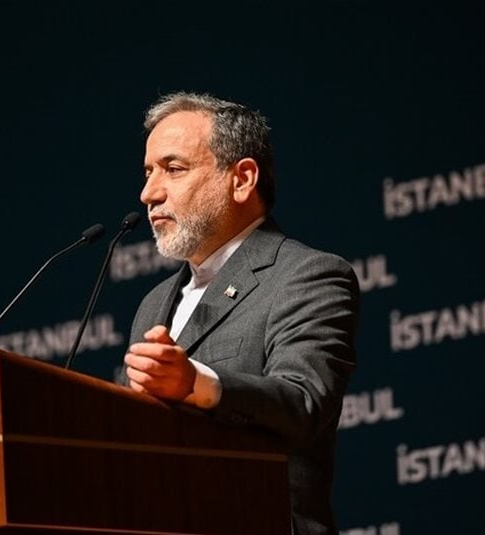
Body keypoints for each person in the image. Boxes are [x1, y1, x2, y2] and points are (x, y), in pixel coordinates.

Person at [121, 91, 360, 535]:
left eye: (173, 169)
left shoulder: (306, 275)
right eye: (149, 172)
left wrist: (196, 383)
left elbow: (304, 402)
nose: (148, 193)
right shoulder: (154, 304)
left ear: (242, 179)